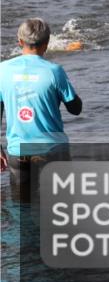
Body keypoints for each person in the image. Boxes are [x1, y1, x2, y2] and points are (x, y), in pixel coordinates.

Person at [0, 19, 83, 203]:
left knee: (22, 209)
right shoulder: (54, 71)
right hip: (52, 150)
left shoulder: (2, 70)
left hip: (18, 152)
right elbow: (75, 109)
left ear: (19, 42)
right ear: (47, 43)